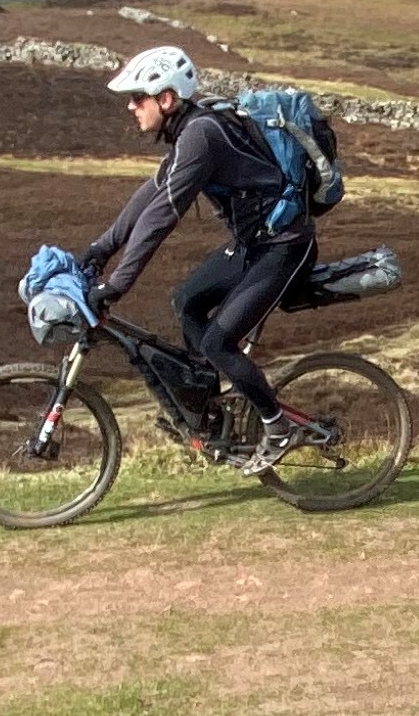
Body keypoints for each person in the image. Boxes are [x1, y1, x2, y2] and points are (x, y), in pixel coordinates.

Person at [77, 45, 335, 468]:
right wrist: (99, 250)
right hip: (255, 245)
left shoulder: (202, 136)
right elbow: (149, 195)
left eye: (138, 98)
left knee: (218, 341)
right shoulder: (190, 133)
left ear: (166, 98)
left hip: (285, 247)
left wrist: (117, 283)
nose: (130, 106)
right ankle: (213, 415)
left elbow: (163, 215)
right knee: (186, 301)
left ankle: (277, 425)